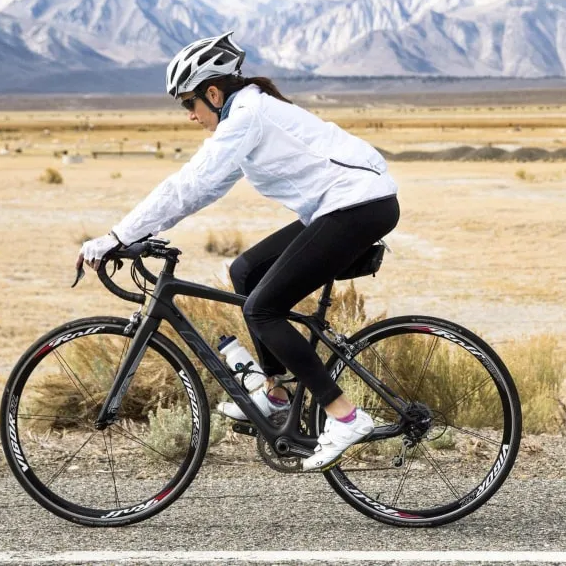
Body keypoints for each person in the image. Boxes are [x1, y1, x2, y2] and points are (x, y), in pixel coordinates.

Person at [77, 32, 399, 471]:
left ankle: (344, 416)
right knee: (245, 271)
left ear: (213, 92)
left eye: (189, 103)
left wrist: (116, 236)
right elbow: (202, 190)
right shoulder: (246, 115)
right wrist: (135, 232)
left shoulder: (247, 114)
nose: (190, 116)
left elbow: (190, 184)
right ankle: (276, 394)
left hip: (359, 205)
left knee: (262, 310)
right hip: (343, 205)